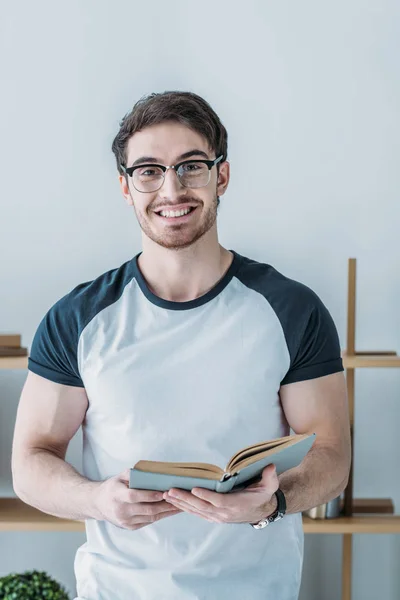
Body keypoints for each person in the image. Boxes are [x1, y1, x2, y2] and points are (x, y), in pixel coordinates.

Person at [11, 90, 351, 600]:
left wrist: (276, 500)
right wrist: (97, 499)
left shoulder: (291, 309)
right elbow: (31, 462)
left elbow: (332, 455)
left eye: (191, 166)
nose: (172, 189)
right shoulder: (78, 318)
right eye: (149, 171)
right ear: (126, 188)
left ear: (222, 176)